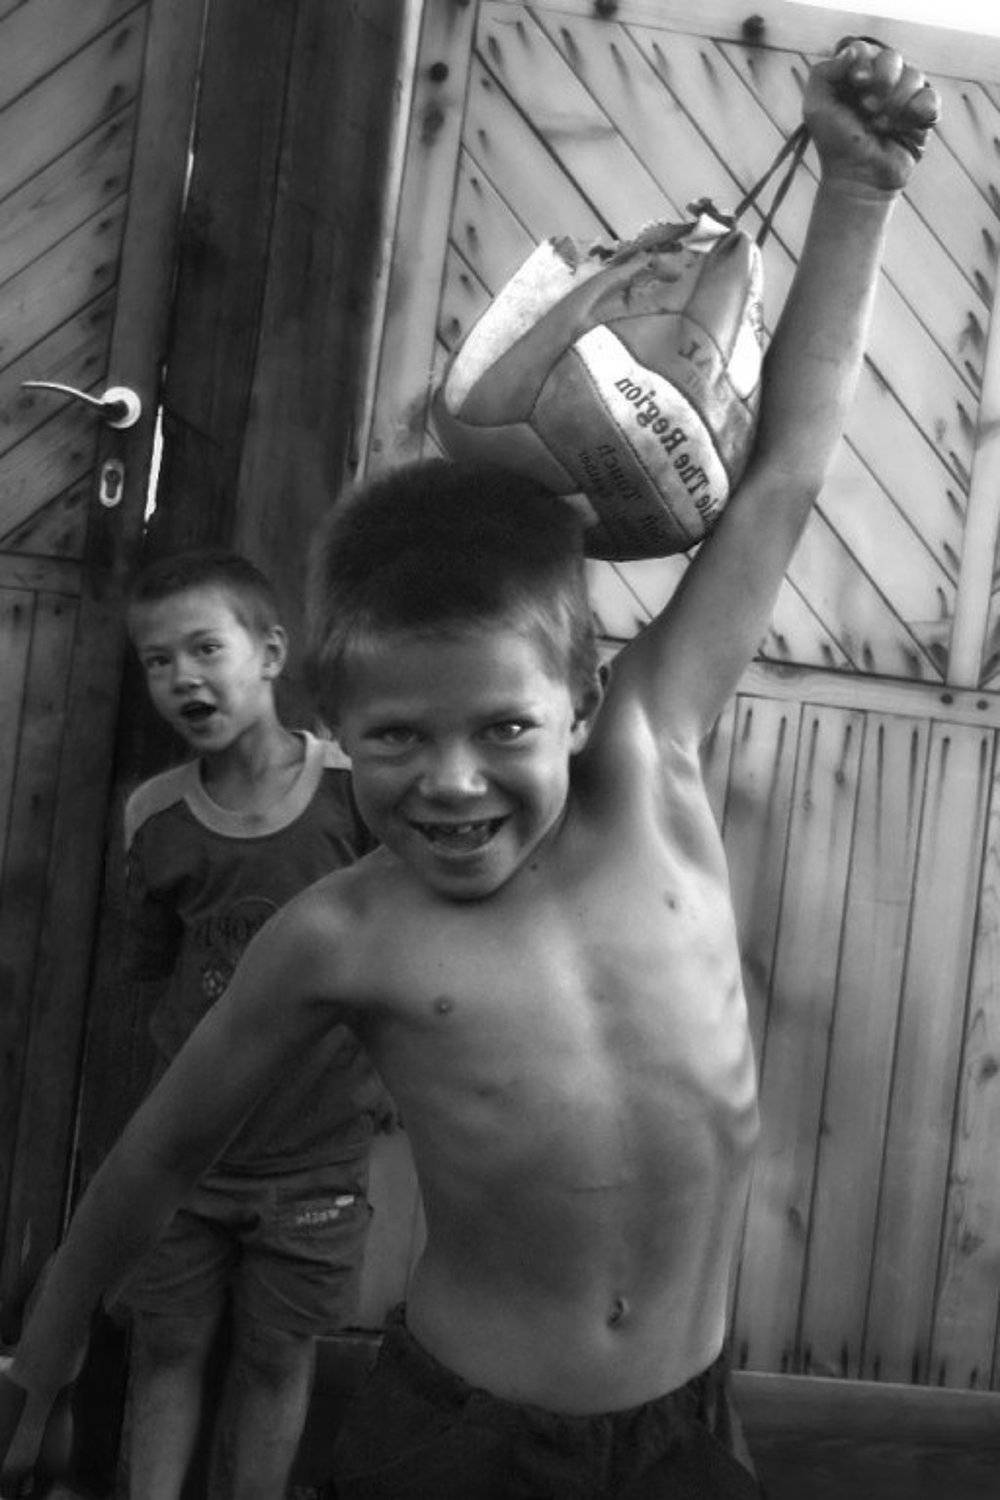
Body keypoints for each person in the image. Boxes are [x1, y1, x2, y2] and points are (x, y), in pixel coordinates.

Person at [1, 39, 938, 1499]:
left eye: (501, 727)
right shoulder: (342, 933)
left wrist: (861, 188)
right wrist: (39, 1362)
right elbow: (157, 1158)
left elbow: (786, 476)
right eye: (395, 737)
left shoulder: (650, 765)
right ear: (332, 722)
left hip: (689, 1426)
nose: (449, 782)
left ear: (580, 701)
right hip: (467, 1443)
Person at [106, 550, 382, 1498]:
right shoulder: (154, 818)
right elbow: (151, 974)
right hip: (185, 1158)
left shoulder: (356, 793)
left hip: (316, 1159)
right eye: (157, 661)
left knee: (275, 1359)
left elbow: (407, 944)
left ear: (268, 653)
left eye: (204, 649)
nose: (182, 677)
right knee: (166, 1347)